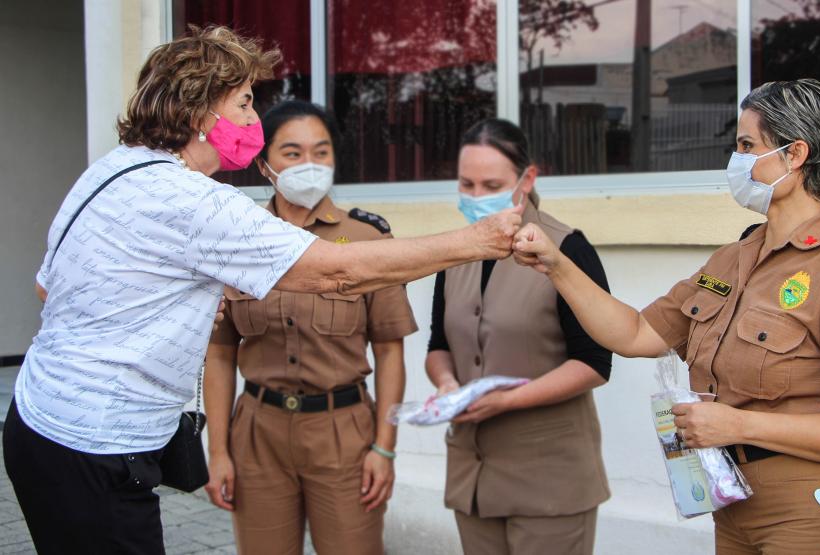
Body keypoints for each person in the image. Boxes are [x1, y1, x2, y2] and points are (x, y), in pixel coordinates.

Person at [2, 26, 520, 554]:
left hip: (37, 422)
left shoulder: (113, 170)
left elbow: (50, 290)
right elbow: (336, 272)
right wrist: (476, 239)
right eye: (245, 103)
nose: (254, 120)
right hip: (97, 446)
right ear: (201, 111)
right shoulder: (197, 202)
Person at [513, 79, 820, 553]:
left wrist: (739, 426)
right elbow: (638, 333)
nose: (735, 160)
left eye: (747, 146)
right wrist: (557, 265)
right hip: (734, 499)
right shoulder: (735, 257)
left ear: (795, 154)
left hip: (812, 506)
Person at [204, 100, 416, 554]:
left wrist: (385, 447)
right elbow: (219, 354)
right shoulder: (237, 239)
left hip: (345, 434)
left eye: (321, 152)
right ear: (264, 163)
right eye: (293, 153)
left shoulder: (367, 239)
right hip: (258, 434)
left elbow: (391, 352)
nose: (310, 165)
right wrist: (218, 451)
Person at [425, 119, 613, 554]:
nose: (475, 196)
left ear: (527, 179)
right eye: (466, 184)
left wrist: (507, 400)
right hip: (474, 474)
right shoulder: (455, 250)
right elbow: (439, 346)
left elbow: (595, 362)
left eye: (490, 184)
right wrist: (448, 385)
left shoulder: (568, 248)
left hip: (550, 478)